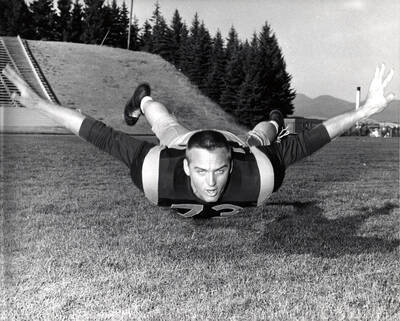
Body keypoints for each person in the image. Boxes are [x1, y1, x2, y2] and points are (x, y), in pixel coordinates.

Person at [2, 64, 395, 218]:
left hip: (239, 143)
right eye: (202, 171)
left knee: (261, 137)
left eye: (219, 172)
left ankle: (274, 119)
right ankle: (143, 97)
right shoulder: (159, 168)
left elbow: (314, 139)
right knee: (166, 126)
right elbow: (97, 133)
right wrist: (38, 103)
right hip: (187, 140)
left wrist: (363, 112)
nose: (210, 182)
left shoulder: (258, 172)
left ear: (230, 167)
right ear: (186, 166)